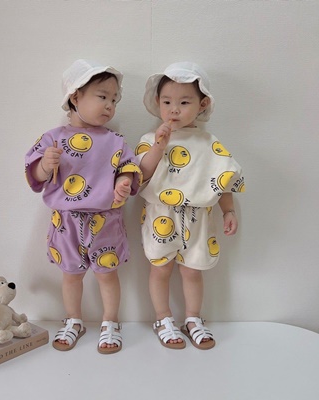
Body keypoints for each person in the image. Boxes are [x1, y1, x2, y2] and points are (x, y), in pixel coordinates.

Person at [25, 59, 142, 354]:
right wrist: (44, 165)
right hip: (66, 221)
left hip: (106, 219)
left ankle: (110, 322)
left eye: (114, 100)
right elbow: (35, 174)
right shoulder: (54, 138)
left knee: (107, 274)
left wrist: (123, 181)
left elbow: (129, 166)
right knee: (70, 275)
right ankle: (73, 320)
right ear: (75, 97)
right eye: (102, 96)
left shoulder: (114, 140)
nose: (110, 106)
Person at [136, 61, 244, 350]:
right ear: (158, 102)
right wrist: (159, 146)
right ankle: (162, 318)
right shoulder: (150, 139)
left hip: (199, 217)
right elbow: (141, 175)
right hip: (161, 214)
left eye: (184, 102)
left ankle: (193, 318)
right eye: (167, 102)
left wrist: (229, 210)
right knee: (160, 268)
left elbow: (222, 179)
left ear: (202, 104)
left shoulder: (209, 142)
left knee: (193, 270)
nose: (174, 109)